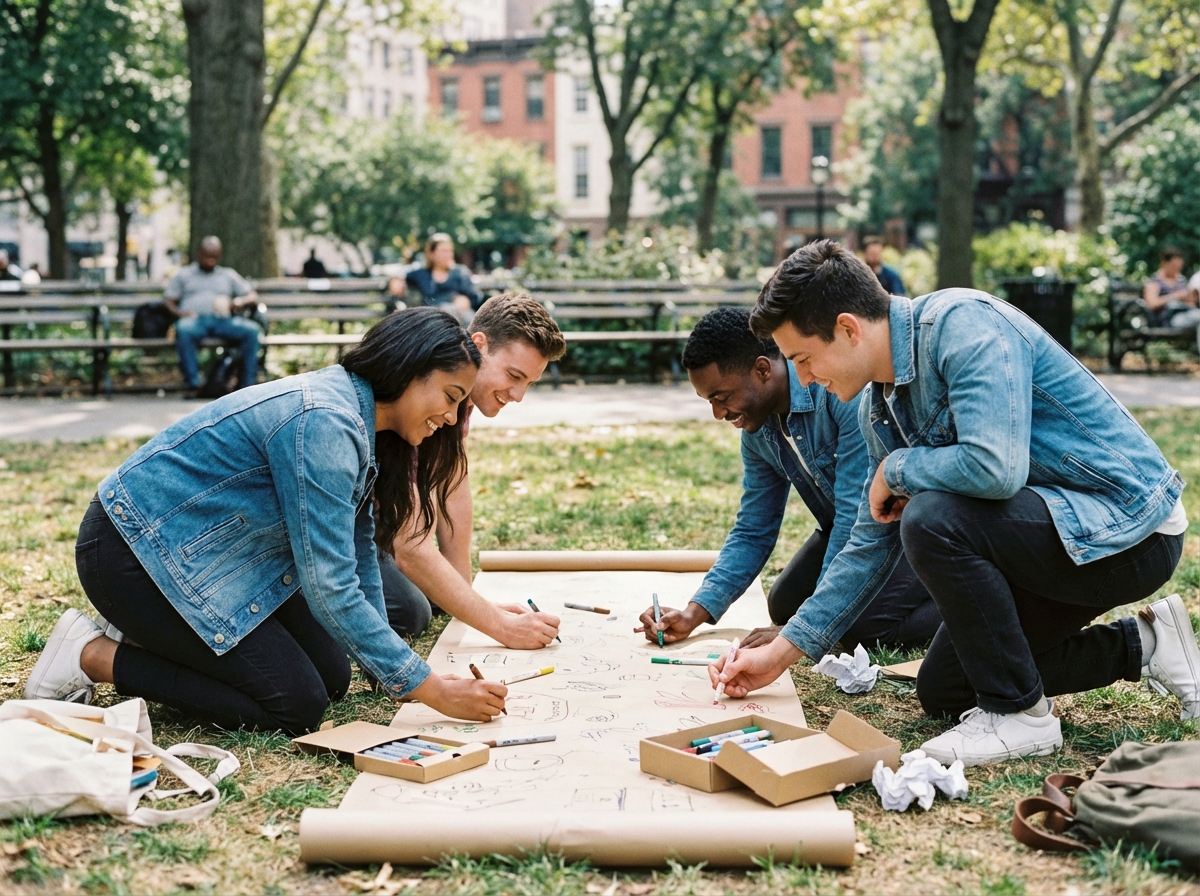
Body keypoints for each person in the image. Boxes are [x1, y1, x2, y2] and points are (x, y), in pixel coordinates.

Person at [711, 240, 1198, 767]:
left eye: (804, 358)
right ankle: (1147, 643)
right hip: (1054, 540)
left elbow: (995, 466)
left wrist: (895, 470)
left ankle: (1020, 719)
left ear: (849, 329)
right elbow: (869, 543)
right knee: (944, 689)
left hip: (1130, 533)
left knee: (931, 517)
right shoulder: (879, 403)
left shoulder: (963, 324)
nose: (804, 378)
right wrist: (781, 656)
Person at [23, 308, 512, 733]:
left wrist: (394, 673)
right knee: (296, 706)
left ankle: (156, 634)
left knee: (333, 677)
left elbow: (359, 547)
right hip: (132, 552)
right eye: (449, 397)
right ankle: (92, 655)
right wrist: (431, 689)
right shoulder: (328, 422)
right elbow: (330, 586)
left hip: (206, 556)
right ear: (411, 371)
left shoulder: (365, 421)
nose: (451, 417)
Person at [635, 307, 940, 652]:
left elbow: (855, 518)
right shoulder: (756, 431)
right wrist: (695, 612)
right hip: (844, 531)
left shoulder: (840, 397)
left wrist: (807, 630)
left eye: (721, 397)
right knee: (784, 605)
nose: (718, 414)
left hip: (897, 535)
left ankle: (963, 597)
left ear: (763, 370)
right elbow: (753, 529)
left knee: (852, 626)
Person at [381, 293, 568, 643]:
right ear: (478, 346)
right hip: (347, 532)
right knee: (413, 611)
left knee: (443, 595)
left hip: (386, 527)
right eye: (513, 375)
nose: (518, 395)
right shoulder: (425, 392)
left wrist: (467, 594)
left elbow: (453, 487)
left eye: (529, 382)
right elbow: (409, 544)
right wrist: (499, 625)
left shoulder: (463, 400)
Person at [164, 236, 262, 392]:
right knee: (183, 330)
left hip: (223, 321)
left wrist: (239, 302)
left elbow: (252, 295)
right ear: (199, 254)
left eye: (214, 256)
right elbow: (169, 301)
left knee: (251, 331)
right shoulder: (184, 274)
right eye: (207, 256)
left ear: (220, 255)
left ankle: (247, 386)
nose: (210, 260)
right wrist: (180, 313)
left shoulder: (228, 275)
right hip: (195, 320)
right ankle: (194, 384)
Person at [406, 234, 481, 323]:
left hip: (459, 315)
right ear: (431, 253)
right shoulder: (421, 274)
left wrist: (464, 301)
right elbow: (402, 278)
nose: (448, 254)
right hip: (430, 317)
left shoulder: (460, 272)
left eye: (449, 251)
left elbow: (473, 298)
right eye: (443, 251)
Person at [1144, 246, 1200, 355]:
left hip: (1186, 314)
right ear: (1164, 263)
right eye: (1174, 266)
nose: (1176, 270)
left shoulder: (1181, 280)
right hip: (1167, 319)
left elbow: (1191, 302)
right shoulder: (1155, 282)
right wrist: (1174, 296)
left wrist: (1191, 297)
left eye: (1179, 266)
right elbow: (1151, 304)